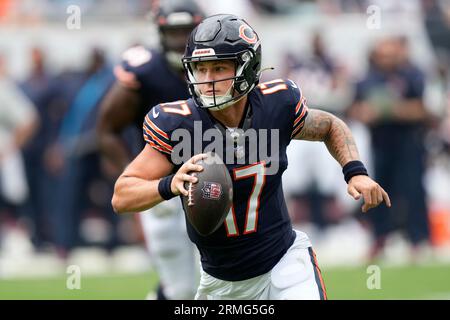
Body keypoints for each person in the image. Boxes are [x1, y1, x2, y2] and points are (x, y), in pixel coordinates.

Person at [112, 14, 391, 300]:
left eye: (219, 68)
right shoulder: (179, 124)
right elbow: (122, 195)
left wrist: (355, 171)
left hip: (284, 265)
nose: (208, 81)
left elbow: (329, 125)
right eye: (201, 69)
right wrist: (169, 184)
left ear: (247, 67)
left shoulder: (276, 104)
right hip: (221, 285)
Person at [97, 0, 204, 300]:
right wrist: (139, 182)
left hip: (209, 182)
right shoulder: (145, 71)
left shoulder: (216, 68)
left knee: (226, 282)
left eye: (186, 32)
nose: (181, 41)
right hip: (165, 190)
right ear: (159, 33)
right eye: (173, 32)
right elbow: (105, 131)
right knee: (180, 289)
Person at [348, 37, 430, 260]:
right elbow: (354, 109)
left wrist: (393, 110)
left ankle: (418, 240)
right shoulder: (366, 80)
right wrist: (366, 113)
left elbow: (424, 109)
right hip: (380, 144)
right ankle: (380, 238)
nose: (386, 59)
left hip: (408, 142)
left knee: (413, 191)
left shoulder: (412, 75)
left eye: (390, 55)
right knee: (377, 191)